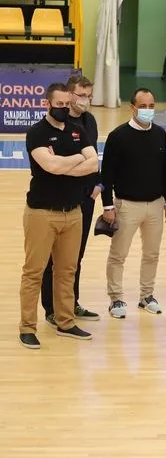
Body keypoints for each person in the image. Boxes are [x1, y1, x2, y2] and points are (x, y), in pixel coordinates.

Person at [19, 83, 99, 349]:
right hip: (41, 213)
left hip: (73, 213)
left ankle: (65, 322)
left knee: (67, 271)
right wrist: (76, 159)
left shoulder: (78, 131)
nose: (64, 108)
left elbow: (93, 164)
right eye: (59, 104)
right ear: (47, 104)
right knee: (34, 272)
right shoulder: (37, 132)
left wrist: (65, 163)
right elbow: (50, 165)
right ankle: (27, 327)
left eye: (67, 104)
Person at [101, 87, 166, 319]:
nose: (147, 110)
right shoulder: (118, 136)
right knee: (118, 255)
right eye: (143, 106)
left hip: (155, 205)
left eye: (151, 106)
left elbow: (165, 170)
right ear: (132, 108)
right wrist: (107, 206)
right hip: (126, 206)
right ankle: (115, 298)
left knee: (152, 254)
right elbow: (106, 175)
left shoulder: (160, 134)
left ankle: (146, 296)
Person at [40, 76, 99, 325]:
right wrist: (79, 161)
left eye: (89, 95)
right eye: (81, 95)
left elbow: (94, 160)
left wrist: (98, 185)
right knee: (52, 257)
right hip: (60, 197)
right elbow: (56, 166)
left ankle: (71, 302)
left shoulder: (90, 121)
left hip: (87, 197)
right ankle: (51, 307)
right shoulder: (58, 124)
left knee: (75, 256)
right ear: (69, 95)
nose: (85, 100)